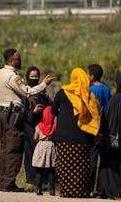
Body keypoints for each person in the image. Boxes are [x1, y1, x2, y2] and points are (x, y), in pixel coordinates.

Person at [0, 48, 55, 192]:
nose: (20, 61)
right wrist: (44, 83)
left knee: (4, 148)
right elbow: (28, 91)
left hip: (1, 113)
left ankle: (2, 182)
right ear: (11, 61)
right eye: (18, 59)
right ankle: (9, 184)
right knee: (14, 149)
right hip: (12, 115)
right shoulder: (12, 76)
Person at [51, 67, 101, 198]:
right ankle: (81, 191)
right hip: (83, 135)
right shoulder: (89, 95)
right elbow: (95, 113)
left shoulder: (63, 92)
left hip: (63, 135)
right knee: (81, 165)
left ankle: (66, 191)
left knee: (64, 164)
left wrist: (62, 116)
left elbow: (53, 110)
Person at [23, 66, 52, 189]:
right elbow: (22, 111)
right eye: (32, 76)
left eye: (36, 76)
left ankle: (44, 180)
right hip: (29, 126)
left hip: (42, 126)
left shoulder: (42, 92)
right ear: (28, 77)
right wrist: (32, 112)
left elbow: (51, 108)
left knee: (44, 152)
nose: (34, 78)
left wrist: (48, 99)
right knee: (30, 152)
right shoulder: (24, 91)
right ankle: (31, 180)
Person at [87, 64, 112, 197]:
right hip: (105, 127)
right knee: (104, 158)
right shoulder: (107, 90)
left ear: (91, 76)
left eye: (87, 74)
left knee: (92, 157)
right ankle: (103, 188)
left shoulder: (91, 90)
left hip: (93, 127)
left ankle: (89, 188)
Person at [32, 106, 56, 196]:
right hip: (51, 146)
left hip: (41, 146)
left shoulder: (39, 126)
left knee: (39, 170)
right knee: (51, 170)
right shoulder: (55, 126)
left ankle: (38, 189)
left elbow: (35, 137)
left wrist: (39, 140)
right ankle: (52, 190)